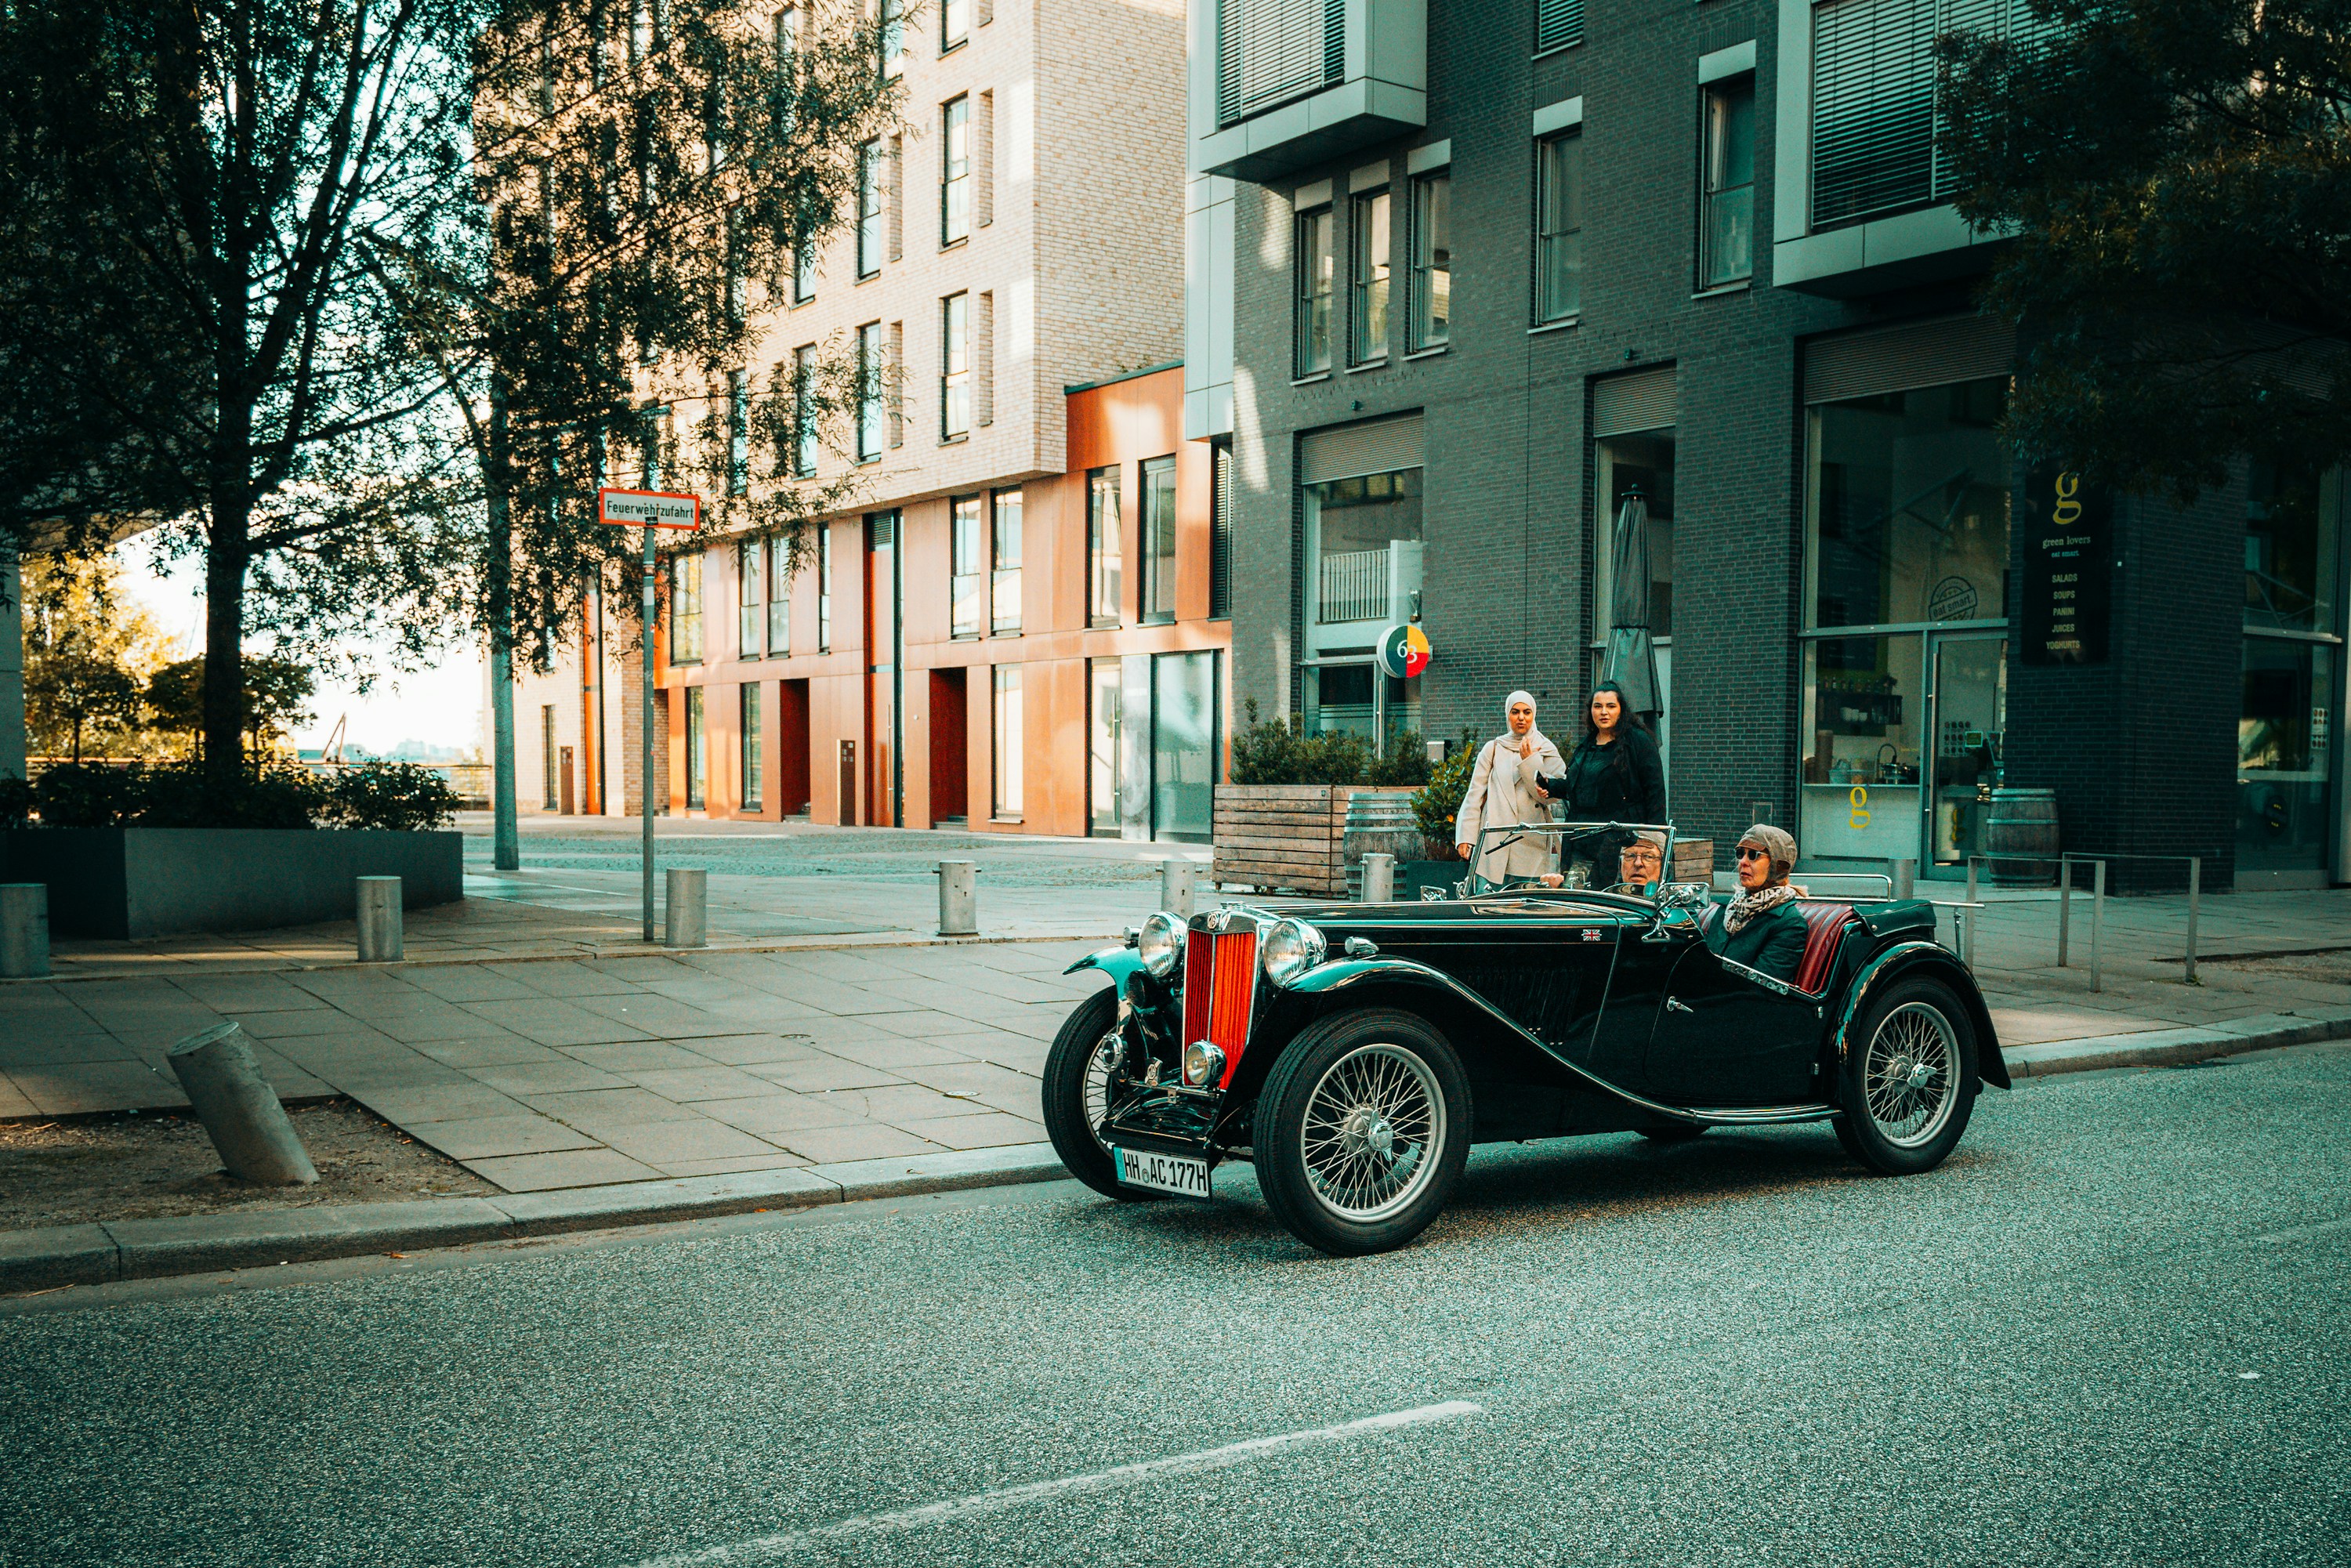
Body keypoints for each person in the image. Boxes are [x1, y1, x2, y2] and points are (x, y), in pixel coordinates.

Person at [1537, 681, 1666, 885]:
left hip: (1619, 842)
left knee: (1610, 898)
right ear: (1591, 711)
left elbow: (1655, 792)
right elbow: (1578, 789)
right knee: (1577, 898)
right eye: (1598, 706)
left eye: (1610, 706)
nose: (1603, 712)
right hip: (1580, 839)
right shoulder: (1587, 745)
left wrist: (1654, 840)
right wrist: (1551, 786)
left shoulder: (1639, 742)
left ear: (1621, 710)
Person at [1455, 690, 1566, 886]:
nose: (1521, 718)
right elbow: (1475, 794)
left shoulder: (1547, 748)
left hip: (1532, 840)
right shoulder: (1493, 748)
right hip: (1495, 840)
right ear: (1508, 715)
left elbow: (1550, 795)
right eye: (1515, 712)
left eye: (1527, 712)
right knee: (1488, 906)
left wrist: (1530, 761)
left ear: (1534, 715)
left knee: (1530, 907)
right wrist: (1466, 836)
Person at [1708, 824, 1809, 983]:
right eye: (1740, 853)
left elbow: (1761, 987)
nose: (1743, 862)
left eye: (1754, 855)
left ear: (1777, 865)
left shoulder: (1789, 923)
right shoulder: (1727, 910)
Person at [1538, 828, 1665, 893]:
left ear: (1664, 866)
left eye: (1648, 857)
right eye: (1630, 856)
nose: (1638, 863)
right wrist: (1557, 890)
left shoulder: (1673, 904)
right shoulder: (1606, 898)